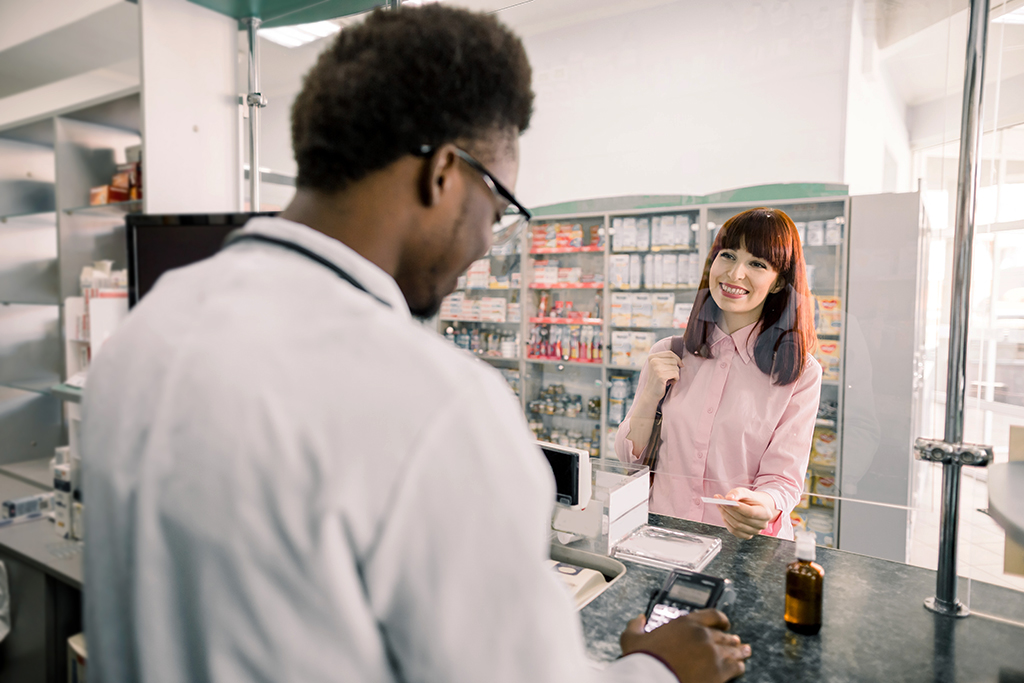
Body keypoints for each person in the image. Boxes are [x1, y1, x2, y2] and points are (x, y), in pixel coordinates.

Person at [81, 6, 749, 683]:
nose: (488, 242)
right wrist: (660, 671)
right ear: (442, 175)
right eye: (497, 208)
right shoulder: (435, 404)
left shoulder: (146, 329)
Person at [615, 208, 821, 541]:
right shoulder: (668, 352)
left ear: (779, 281)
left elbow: (783, 481)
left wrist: (761, 505)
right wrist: (650, 396)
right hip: (664, 535)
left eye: (757, 264)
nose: (735, 273)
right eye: (727, 255)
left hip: (743, 547)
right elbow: (629, 461)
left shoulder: (799, 372)